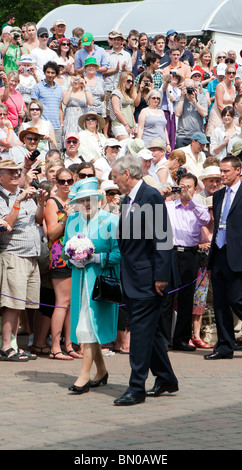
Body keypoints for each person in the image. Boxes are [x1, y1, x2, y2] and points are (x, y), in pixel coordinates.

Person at [112, 154, 178, 405]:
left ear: (127, 174)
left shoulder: (150, 196)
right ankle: (166, 378)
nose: (114, 180)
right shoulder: (129, 200)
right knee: (147, 332)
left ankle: (136, 388)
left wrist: (160, 277)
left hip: (148, 279)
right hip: (133, 277)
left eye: (116, 176)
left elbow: (162, 238)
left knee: (139, 334)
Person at [63, 177, 121, 393]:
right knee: (88, 327)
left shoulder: (111, 220)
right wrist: (73, 257)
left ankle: (83, 376)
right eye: (81, 200)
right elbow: (64, 249)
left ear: (99, 199)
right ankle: (102, 371)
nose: (86, 204)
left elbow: (119, 253)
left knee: (88, 326)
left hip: (101, 282)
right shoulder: (72, 221)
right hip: (79, 283)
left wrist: (97, 258)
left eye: (90, 199)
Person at [0, 158, 47, 361]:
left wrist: (42, 204)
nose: (16, 175)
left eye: (18, 172)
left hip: (30, 257)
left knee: (20, 304)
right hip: (13, 255)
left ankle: (13, 346)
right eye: (11, 172)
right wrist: (17, 202)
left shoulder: (24, 194)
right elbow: (5, 226)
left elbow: (37, 220)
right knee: (11, 303)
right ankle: (5, 347)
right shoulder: (3, 198)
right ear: (0, 176)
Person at [165, 172, 210, 351]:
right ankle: (163, 338)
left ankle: (181, 339)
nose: (184, 190)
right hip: (170, 253)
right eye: (181, 186)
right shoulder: (168, 206)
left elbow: (206, 220)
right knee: (167, 296)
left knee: (185, 298)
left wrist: (190, 200)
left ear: (195, 189)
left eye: (188, 187)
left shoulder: (199, 207)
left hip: (190, 254)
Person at [204, 156, 242, 360]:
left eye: (226, 171)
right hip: (218, 253)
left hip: (237, 254)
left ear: (238, 171)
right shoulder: (218, 196)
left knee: (237, 299)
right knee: (219, 303)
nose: (222, 175)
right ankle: (225, 346)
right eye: (221, 171)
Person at [44, 167, 82, 360]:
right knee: (62, 302)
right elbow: (50, 233)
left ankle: (69, 345)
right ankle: (55, 347)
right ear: (56, 182)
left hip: (77, 256)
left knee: (72, 303)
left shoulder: (76, 201)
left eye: (69, 181)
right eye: (61, 181)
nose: (66, 185)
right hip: (59, 256)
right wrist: (66, 217)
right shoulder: (52, 202)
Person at [31, 61, 63, 149]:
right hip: (41, 126)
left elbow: (60, 108)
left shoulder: (59, 89)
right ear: (44, 73)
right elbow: (33, 107)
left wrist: (61, 124)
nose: (50, 74)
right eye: (48, 72)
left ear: (56, 74)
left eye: (53, 73)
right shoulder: (37, 87)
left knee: (56, 154)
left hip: (56, 126)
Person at [175, 78, 208, 148]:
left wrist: (194, 101)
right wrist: (182, 98)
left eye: (190, 88)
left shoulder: (201, 98)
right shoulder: (179, 98)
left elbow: (204, 113)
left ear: (195, 88)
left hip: (197, 136)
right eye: (186, 88)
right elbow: (177, 113)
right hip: (182, 136)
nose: (188, 90)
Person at [206, 65, 237, 137]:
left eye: (233, 73)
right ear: (225, 74)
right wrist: (227, 116)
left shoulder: (233, 87)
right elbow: (219, 105)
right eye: (229, 73)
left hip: (229, 116)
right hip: (219, 115)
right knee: (216, 138)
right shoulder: (220, 86)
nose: (231, 74)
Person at [62, 71, 92, 139]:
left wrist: (85, 86)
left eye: (78, 79)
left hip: (82, 119)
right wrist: (71, 86)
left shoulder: (86, 92)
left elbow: (90, 102)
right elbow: (65, 102)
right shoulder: (67, 91)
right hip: (70, 120)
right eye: (74, 79)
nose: (76, 81)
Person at [110, 71, 137, 141]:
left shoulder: (128, 94)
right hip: (119, 124)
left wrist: (133, 124)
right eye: (128, 81)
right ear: (122, 80)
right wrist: (126, 124)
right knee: (126, 144)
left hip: (130, 124)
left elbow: (130, 112)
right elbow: (116, 111)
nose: (130, 83)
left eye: (132, 81)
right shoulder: (116, 93)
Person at [160, 71, 183, 151]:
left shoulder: (179, 91)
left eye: (176, 77)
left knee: (173, 134)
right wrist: (168, 80)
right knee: (166, 133)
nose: (174, 78)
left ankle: (171, 151)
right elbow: (164, 88)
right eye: (173, 77)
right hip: (166, 112)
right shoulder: (166, 86)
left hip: (174, 113)